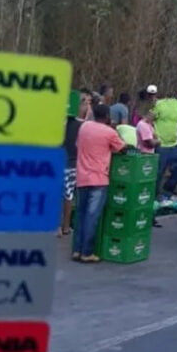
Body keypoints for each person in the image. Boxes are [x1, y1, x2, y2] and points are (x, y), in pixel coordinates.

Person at [72, 105, 126, 263]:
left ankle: (77, 250)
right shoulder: (109, 132)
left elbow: (77, 145)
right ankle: (87, 253)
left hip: (82, 177)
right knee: (91, 217)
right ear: (108, 116)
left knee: (81, 215)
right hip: (98, 179)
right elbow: (122, 148)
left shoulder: (84, 127)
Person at [59, 105, 84, 237]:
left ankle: (57, 227)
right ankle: (66, 226)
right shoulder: (82, 125)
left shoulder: (57, 122)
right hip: (72, 163)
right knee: (68, 195)